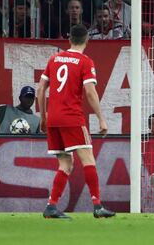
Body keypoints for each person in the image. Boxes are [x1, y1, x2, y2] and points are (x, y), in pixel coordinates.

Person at [37, 24, 115, 219]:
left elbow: (40, 90)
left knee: (66, 163)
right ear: (87, 40)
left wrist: (44, 117)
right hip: (72, 117)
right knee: (88, 159)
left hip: (54, 119)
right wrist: (101, 119)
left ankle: (51, 206)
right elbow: (90, 91)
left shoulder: (54, 59)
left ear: (69, 39)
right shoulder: (85, 61)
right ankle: (97, 206)